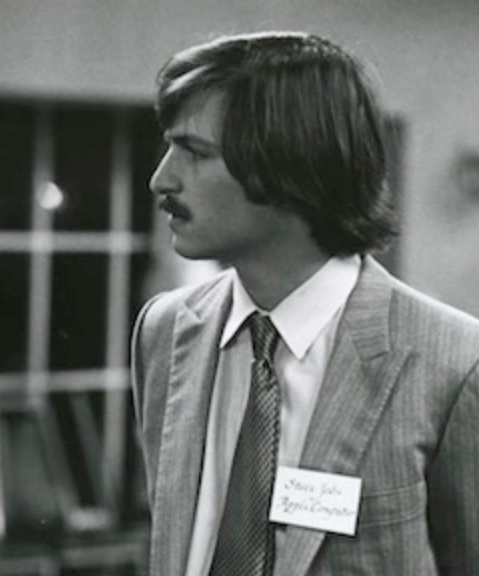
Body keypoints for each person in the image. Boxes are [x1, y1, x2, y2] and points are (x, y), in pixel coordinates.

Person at [132, 31, 479, 576]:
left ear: (289, 166)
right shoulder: (165, 329)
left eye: (195, 153)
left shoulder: (454, 362)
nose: (161, 180)